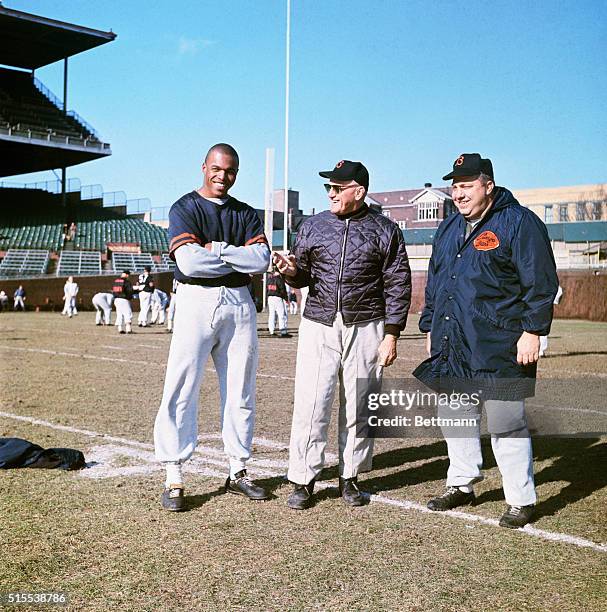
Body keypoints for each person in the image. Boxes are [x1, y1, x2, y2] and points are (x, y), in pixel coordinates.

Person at [413, 153, 559, 529]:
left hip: (501, 342)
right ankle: (461, 483)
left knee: (505, 421)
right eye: (454, 187)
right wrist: (431, 327)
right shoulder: (447, 229)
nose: (458, 194)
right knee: (455, 417)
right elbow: (436, 283)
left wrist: (534, 330)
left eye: (466, 186)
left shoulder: (519, 223)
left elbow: (541, 283)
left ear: (488, 186)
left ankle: (520, 499)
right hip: (453, 341)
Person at [274, 160, 411, 510]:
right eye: (328, 188)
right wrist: (291, 272)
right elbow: (302, 274)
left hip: (367, 324)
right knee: (312, 402)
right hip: (319, 323)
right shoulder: (313, 225)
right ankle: (304, 480)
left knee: (360, 404)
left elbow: (398, 283)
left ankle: (349, 476)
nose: (331, 193)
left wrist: (392, 333)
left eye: (338, 187)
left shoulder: (386, 230)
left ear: (359, 191)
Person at [153, 143, 271, 512]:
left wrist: (217, 250)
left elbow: (263, 259)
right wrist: (236, 258)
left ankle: (238, 469)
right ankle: (174, 474)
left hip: (239, 303)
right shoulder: (184, 207)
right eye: (217, 169)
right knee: (182, 384)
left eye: (231, 171)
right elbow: (189, 263)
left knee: (240, 389)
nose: (223, 176)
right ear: (204, 166)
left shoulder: (247, 213)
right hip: (195, 300)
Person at [266, 266, 291, 337]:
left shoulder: (269, 279)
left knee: (272, 315)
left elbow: (267, 289)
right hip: (277, 298)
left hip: (270, 298)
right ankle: (283, 332)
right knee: (281, 315)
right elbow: (283, 290)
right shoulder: (279, 279)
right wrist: (286, 299)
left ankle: (271, 331)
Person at [539, 285, 563, 357]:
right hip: (542, 304)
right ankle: (540, 350)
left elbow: (559, 291)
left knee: (542, 328)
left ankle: (540, 350)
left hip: (542, 305)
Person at [112, 270, 135, 334]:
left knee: (119, 314)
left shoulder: (116, 281)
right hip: (124, 299)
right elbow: (129, 291)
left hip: (116, 299)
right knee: (128, 313)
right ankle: (128, 329)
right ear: (127, 275)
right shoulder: (126, 281)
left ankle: (120, 328)